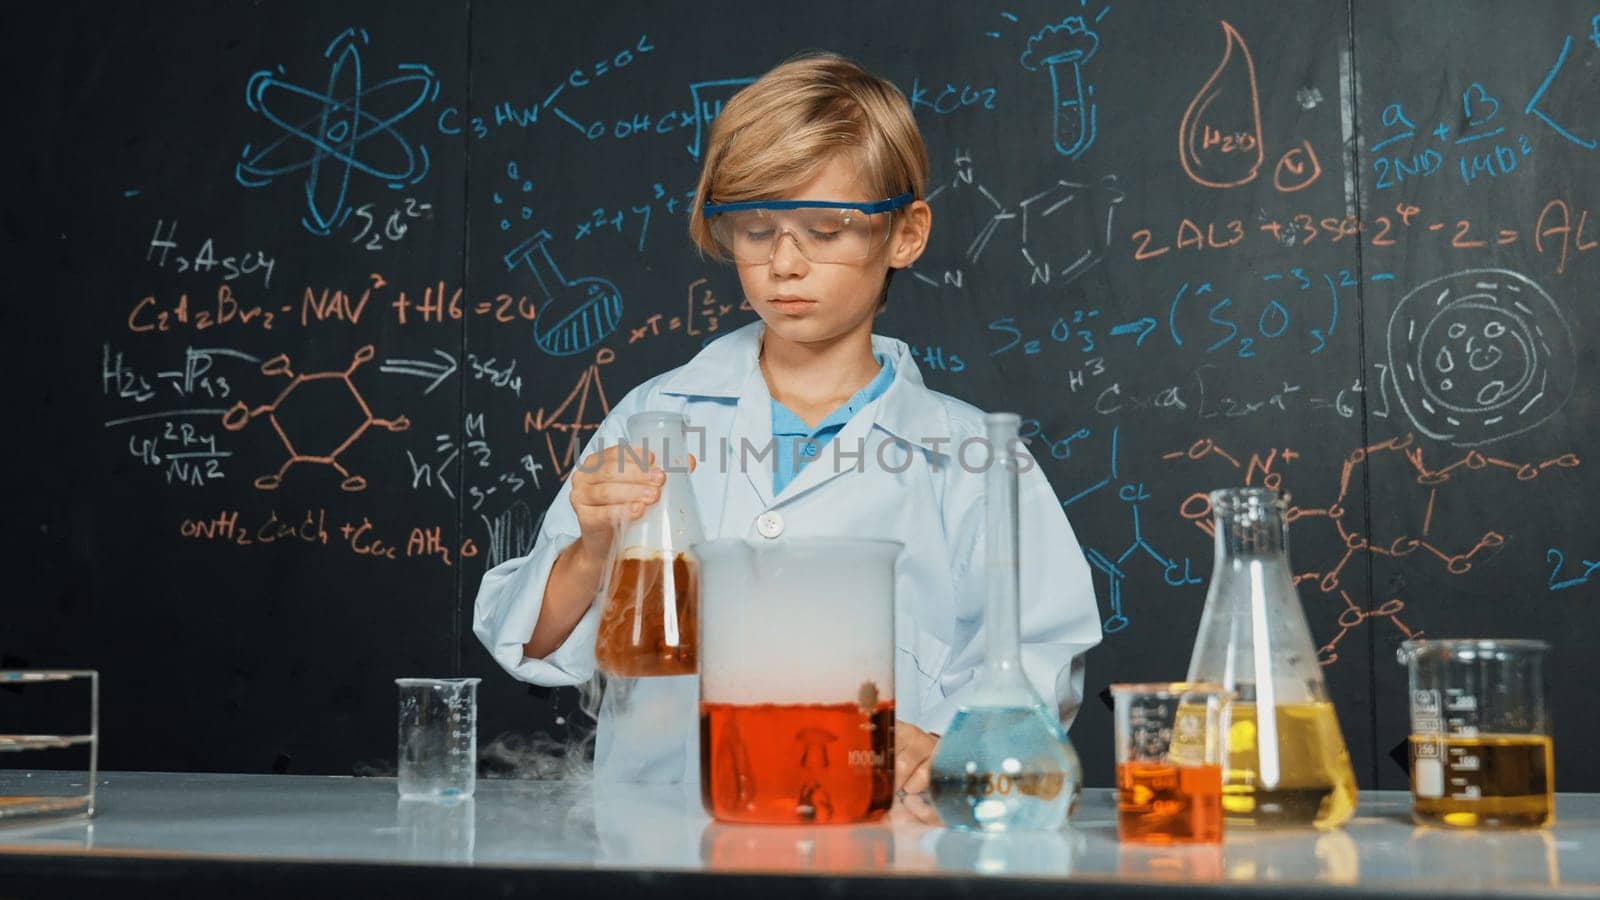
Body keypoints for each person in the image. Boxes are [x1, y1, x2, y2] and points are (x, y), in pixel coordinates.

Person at [474, 52, 1101, 787]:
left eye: (827, 228)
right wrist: (590, 551)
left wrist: (945, 743)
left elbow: (1037, 664)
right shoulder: (657, 416)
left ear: (904, 233)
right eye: (755, 227)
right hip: (664, 835)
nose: (785, 263)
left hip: (878, 841)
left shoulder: (969, 458)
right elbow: (534, 642)